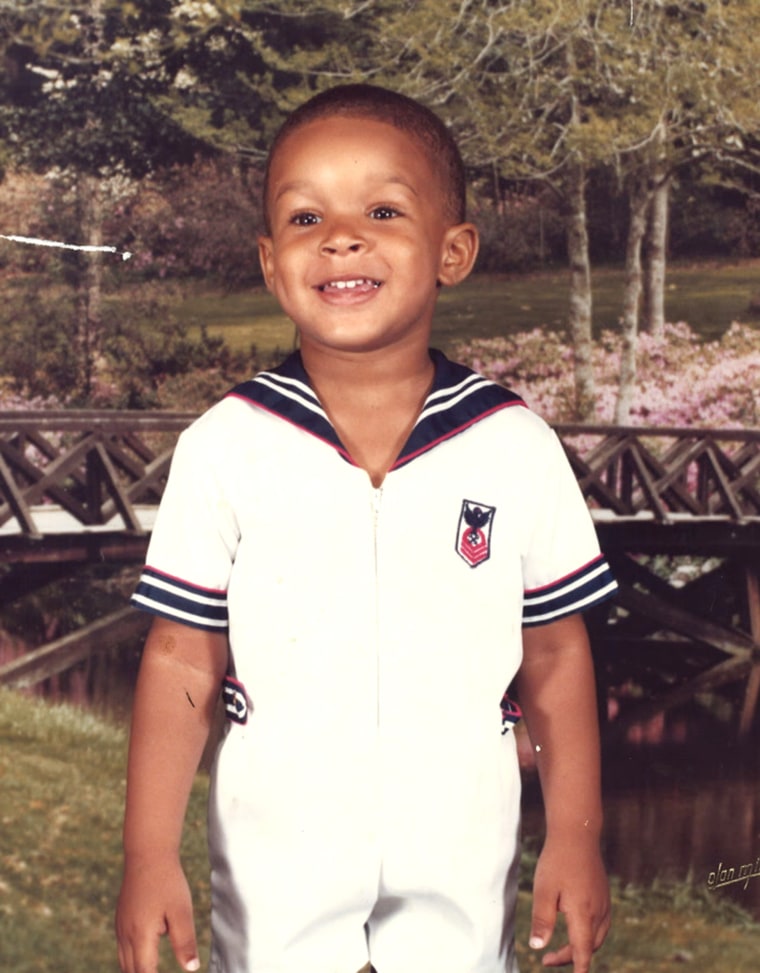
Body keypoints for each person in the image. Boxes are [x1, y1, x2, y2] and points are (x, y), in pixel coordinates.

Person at [115, 83, 617, 973]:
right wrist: (148, 856)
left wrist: (577, 838)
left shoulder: (512, 445)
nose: (341, 236)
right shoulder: (228, 445)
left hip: (459, 867)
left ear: (452, 250)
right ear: (271, 264)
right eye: (306, 218)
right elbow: (181, 657)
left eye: (382, 209)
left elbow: (556, 655)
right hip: (277, 878)